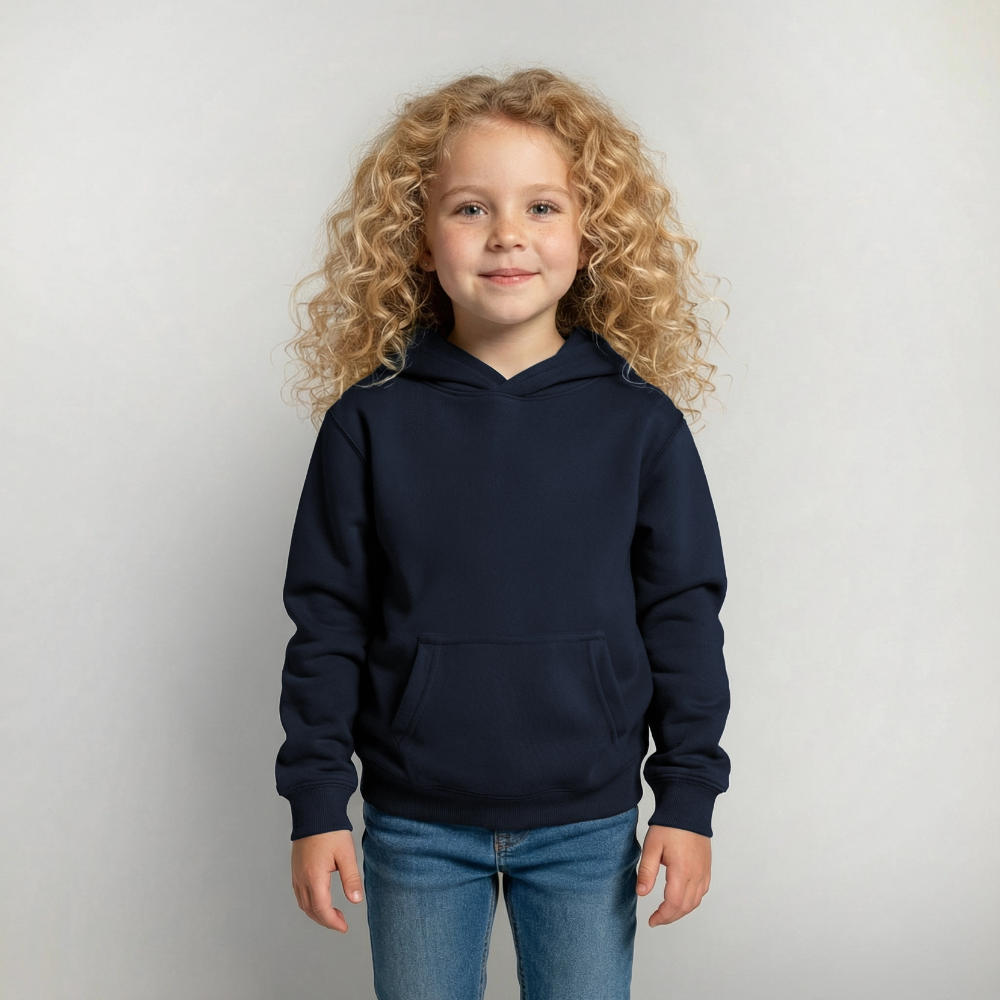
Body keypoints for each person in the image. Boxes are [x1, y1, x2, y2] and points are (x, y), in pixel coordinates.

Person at [274, 67, 731, 1000]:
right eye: (472, 207)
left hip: (589, 824)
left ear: (591, 233)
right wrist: (317, 803)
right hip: (414, 824)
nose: (508, 234)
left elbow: (683, 617)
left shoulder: (640, 424)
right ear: (418, 236)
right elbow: (325, 621)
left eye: (543, 206)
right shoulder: (370, 423)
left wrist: (687, 798)